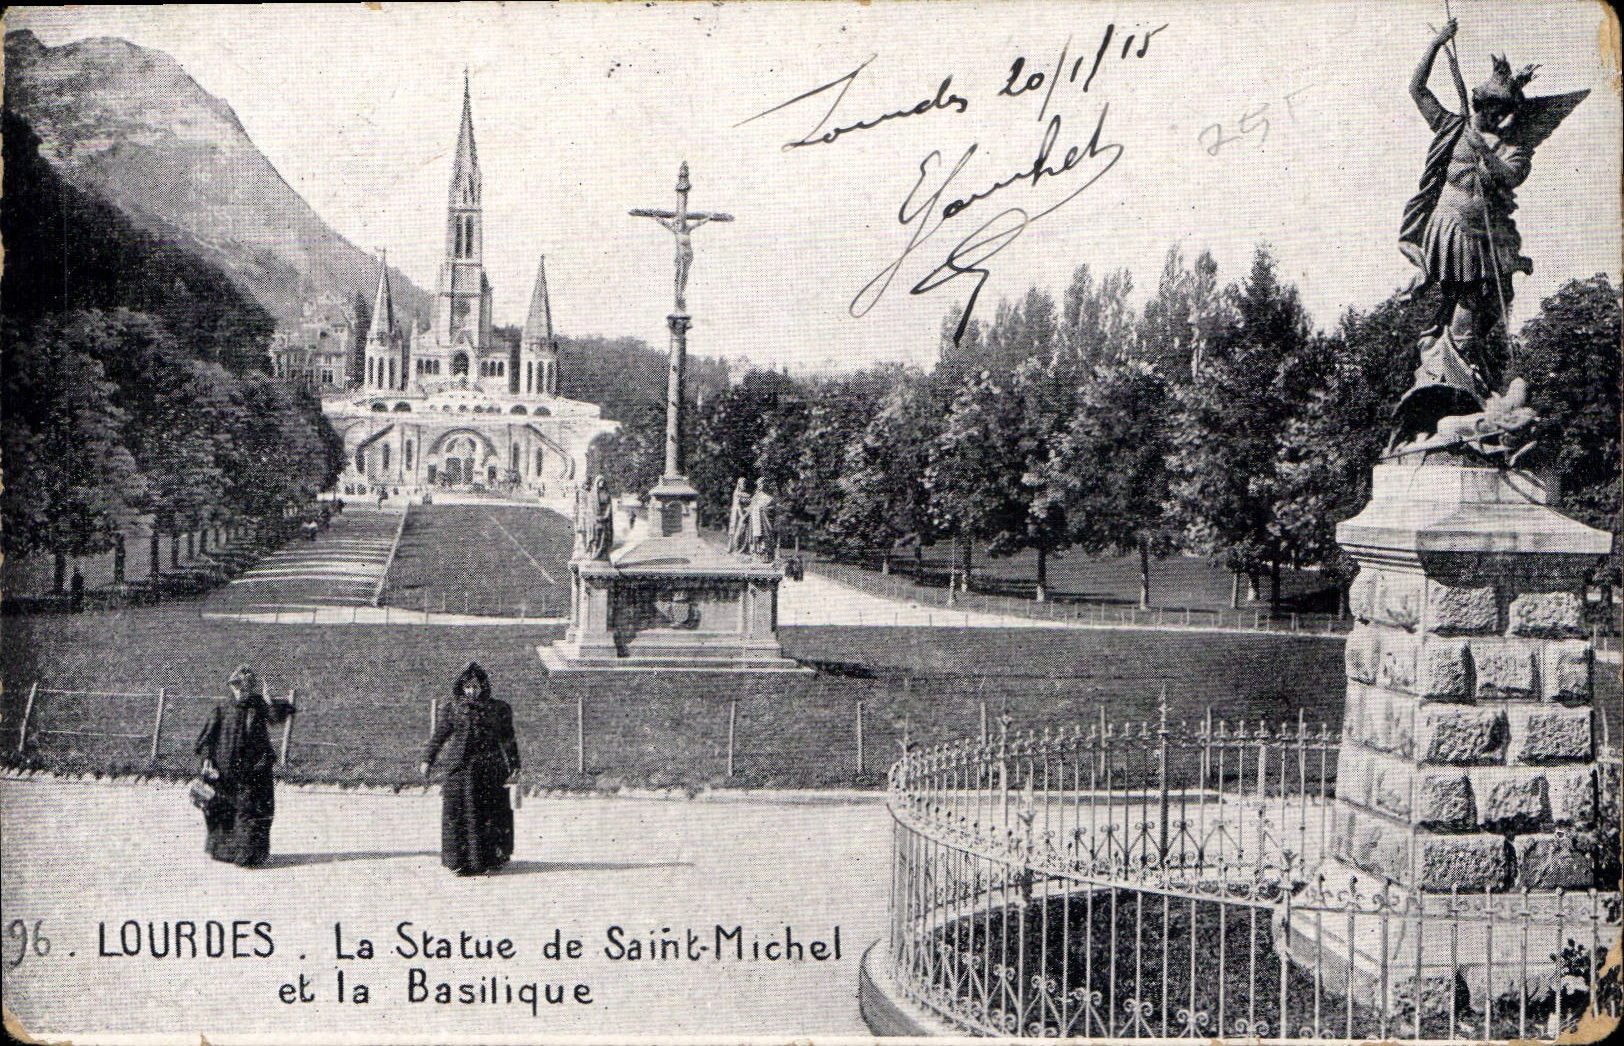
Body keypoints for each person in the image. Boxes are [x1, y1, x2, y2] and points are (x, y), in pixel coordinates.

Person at [1395, 19, 1587, 440]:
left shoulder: (1515, 146)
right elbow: (1418, 90)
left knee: (1494, 309)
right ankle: (1454, 379)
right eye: (1486, 107)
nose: (1492, 115)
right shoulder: (1452, 126)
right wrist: (1435, 44)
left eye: (1500, 110)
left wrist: (1488, 154)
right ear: (1479, 103)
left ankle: (1471, 375)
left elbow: (1510, 175)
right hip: (1451, 230)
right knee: (1465, 304)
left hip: (1491, 237)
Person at [420, 663, 520, 876]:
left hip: (489, 769)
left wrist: (515, 764)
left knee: (489, 813)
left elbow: (508, 739)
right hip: (459, 768)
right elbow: (439, 736)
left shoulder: (499, 709)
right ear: (461, 687)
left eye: (476, 686)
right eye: (467, 687)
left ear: (483, 686)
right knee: (458, 813)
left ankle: (488, 860)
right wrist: (427, 759)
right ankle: (459, 862)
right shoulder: (452, 708)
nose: (472, 691)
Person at [194, 666, 295, 867]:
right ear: (232, 687)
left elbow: (279, 716)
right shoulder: (221, 710)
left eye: (246, 687)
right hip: (225, 770)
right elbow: (206, 740)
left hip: (254, 769)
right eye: (237, 686)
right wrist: (207, 759)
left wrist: (268, 700)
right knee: (224, 809)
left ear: (251, 688)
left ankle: (249, 856)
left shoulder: (258, 706)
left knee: (251, 809)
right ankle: (225, 852)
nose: (241, 691)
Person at [726, 477, 750, 554]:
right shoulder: (736, 493)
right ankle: (734, 548)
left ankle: (743, 547)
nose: (744, 485)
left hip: (746, 514)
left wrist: (747, 512)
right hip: (737, 514)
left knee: (744, 530)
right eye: (742, 484)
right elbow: (738, 505)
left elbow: (750, 505)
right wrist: (741, 515)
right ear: (739, 484)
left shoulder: (747, 494)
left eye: (745, 484)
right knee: (735, 530)